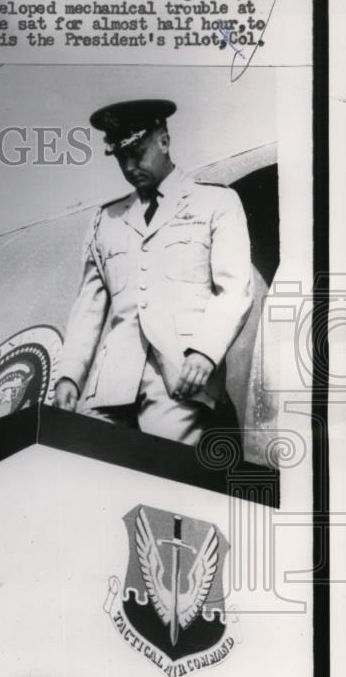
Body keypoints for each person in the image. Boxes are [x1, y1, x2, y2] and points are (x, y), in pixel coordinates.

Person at [54, 99, 253, 445]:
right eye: (121, 158)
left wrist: (206, 352)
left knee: (169, 478)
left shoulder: (215, 203)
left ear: (163, 140)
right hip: (110, 386)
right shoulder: (107, 220)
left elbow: (234, 288)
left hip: (180, 380)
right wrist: (69, 376)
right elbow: (87, 308)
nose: (130, 166)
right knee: (91, 471)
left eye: (138, 152)